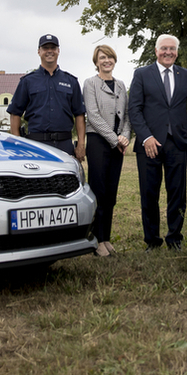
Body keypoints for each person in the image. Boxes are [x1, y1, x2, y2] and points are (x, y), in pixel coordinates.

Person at [128, 34, 187, 251]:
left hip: (177, 143)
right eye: (164, 49)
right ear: (156, 51)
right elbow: (134, 109)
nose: (168, 52)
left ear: (177, 52)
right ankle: (152, 240)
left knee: (177, 194)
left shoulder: (186, 75)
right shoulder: (142, 74)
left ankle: (174, 238)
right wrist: (146, 137)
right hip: (149, 144)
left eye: (172, 49)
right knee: (149, 193)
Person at [83, 45, 131, 257]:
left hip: (117, 143)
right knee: (99, 191)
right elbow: (92, 116)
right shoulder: (90, 84)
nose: (106, 61)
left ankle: (107, 238)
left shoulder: (121, 85)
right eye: (102, 58)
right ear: (96, 61)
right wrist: (114, 139)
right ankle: (96, 240)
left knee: (111, 192)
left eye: (110, 57)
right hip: (98, 142)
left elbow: (128, 116)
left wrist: (126, 136)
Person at [8, 34, 86, 160]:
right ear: (39, 51)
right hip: (36, 144)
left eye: (53, 48)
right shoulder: (27, 81)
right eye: (45, 48)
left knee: (66, 179)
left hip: (64, 144)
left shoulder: (71, 81)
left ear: (58, 51)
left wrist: (81, 144)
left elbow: (80, 115)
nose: (49, 51)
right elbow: (15, 113)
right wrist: (18, 143)